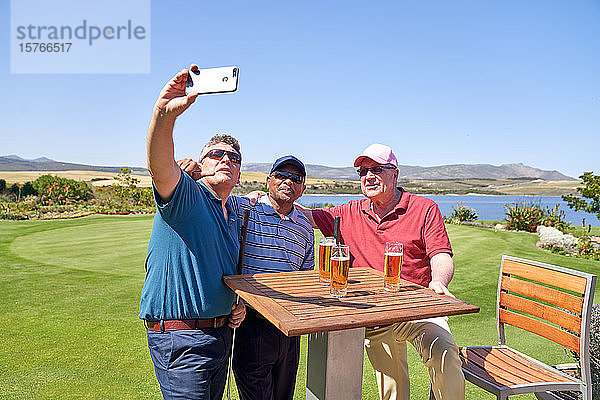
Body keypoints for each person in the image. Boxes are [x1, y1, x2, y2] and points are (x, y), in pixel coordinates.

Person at [297, 143, 465, 400]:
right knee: (393, 389)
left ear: (394, 174)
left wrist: (439, 281)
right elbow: (305, 216)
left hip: (418, 309)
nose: (368, 176)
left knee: (444, 355)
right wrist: (265, 198)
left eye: (376, 169)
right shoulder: (349, 211)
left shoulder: (424, 208)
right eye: (363, 172)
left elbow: (441, 255)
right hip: (376, 315)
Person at [139, 65, 246, 400]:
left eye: (233, 157)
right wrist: (164, 114)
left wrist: (235, 303)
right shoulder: (186, 194)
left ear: (240, 173)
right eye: (216, 154)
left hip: (220, 336)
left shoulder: (233, 215)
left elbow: (218, 273)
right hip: (182, 340)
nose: (225, 159)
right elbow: (160, 163)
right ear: (201, 163)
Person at [178, 155, 315, 400]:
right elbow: (210, 197)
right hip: (251, 322)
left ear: (303, 188)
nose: (288, 182)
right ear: (268, 181)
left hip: (289, 329)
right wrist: (190, 177)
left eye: (296, 178)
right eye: (281, 175)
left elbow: (305, 279)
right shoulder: (244, 207)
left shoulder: (305, 227)